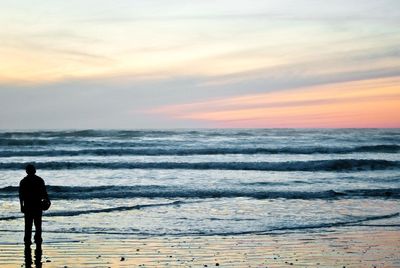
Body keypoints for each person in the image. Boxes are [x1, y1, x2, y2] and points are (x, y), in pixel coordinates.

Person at [19, 164, 49, 249]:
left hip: (28, 205)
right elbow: (44, 193)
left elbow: (21, 195)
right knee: (38, 224)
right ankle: (38, 239)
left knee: (28, 225)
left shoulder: (23, 181)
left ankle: (27, 240)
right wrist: (48, 201)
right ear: (34, 171)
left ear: (26, 171)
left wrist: (21, 205)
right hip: (37, 205)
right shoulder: (39, 180)